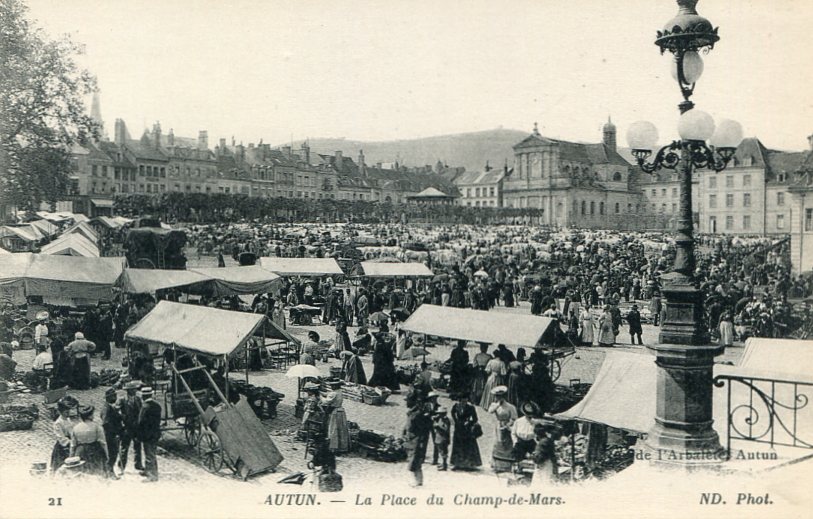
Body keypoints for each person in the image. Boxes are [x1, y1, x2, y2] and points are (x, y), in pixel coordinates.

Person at [403, 385, 434, 486]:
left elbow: (418, 427)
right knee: (414, 460)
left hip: (416, 440)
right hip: (412, 439)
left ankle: (418, 482)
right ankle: (418, 481)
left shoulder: (417, 413)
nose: (406, 402)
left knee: (415, 461)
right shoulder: (414, 412)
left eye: (407, 400)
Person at [70, 405, 109, 477]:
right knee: (96, 473)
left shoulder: (76, 428)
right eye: (92, 414)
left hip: (80, 452)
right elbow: (103, 443)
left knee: (82, 473)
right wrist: (107, 455)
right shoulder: (97, 427)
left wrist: (71, 456)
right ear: (90, 416)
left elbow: (73, 445)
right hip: (94, 452)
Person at [488, 386, 517, 472]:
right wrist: (498, 404)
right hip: (498, 426)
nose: (498, 398)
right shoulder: (494, 405)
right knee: (497, 443)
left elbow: (514, 418)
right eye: (497, 396)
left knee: (507, 445)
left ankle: (506, 465)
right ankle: (496, 464)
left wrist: (508, 425)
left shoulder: (510, 407)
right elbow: (490, 411)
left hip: (507, 426)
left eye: (500, 396)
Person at [450, 392, 482, 470]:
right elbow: (452, 413)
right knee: (457, 446)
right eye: (462, 400)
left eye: (465, 400)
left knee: (467, 447)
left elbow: (475, 418)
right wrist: (455, 421)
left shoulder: (471, 408)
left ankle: (469, 464)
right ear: (459, 400)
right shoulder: (456, 406)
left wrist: (469, 422)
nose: (464, 402)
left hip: (467, 430)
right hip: (458, 429)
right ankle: (457, 463)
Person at [137, 387, 162, 482]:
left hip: (147, 435)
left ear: (143, 396)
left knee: (149, 454)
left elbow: (140, 422)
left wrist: (138, 434)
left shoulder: (145, 407)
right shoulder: (157, 406)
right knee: (152, 453)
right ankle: (148, 470)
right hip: (155, 433)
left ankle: (153, 476)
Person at [118, 381, 144, 473]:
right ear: (128, 391)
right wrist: (123, 418)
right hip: (127, 428)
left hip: (136, 427)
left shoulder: (138, 399)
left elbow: (141, 411)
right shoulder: (122, 400)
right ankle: (121, 466)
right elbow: (117, 411)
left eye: (135, 389)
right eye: (133, 389)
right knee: (124, 448)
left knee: (137, 446)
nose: (135, 391)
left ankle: (138, 465)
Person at [50, 397, 79, 473]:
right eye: (65, 412)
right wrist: (71, 442)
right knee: (60, 466)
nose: (68, 414)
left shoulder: (68, 419)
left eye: (68, 412)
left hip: (71, 444)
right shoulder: (58, 423)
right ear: (60, 412)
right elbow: (61, 438)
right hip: (62, 448)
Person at [100, 387, 123, 478]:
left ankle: (109, 472)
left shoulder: (109, 406)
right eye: (114, 396)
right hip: (110, 436)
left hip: (112, 435)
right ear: (109, 397)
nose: (116, 397)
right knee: (112, 454)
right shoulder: (106, 408)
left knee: (113, 454)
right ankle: (110, 472)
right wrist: (114, 434)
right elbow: (105, 423)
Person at [322, 383, 350, 453]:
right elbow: (329, 394)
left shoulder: (334, 393)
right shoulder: (339, 391)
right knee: (341, 429)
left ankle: (334, 447)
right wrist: (322, 392)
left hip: (335, 412)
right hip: (341, 411)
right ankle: (342, 446)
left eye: (332, 385)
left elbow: (326, 401)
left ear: (335, 386)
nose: (331, 386)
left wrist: (320, 396)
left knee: (334, 429)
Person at [530, 423, 557, 488]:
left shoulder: (543, 442)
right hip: (547, 462)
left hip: (544, 463)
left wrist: (533, 456)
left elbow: (540, 456)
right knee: (545, 482)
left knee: (543, 482)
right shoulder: (547, 440)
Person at [431, 406, 451, 471]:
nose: (439, 414)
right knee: (441, 451)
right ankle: (443, 464)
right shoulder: (440, 418)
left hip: (443, 439)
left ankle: (444, 465)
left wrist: (437, 427)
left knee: (444, 452)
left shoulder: (446, 420)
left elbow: (445, 429)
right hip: (439, 438)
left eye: (440, 413)